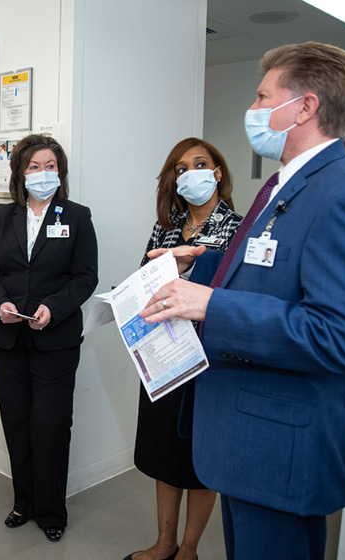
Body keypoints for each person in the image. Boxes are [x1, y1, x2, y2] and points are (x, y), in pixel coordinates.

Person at [140, 42, 345, 560]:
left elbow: (337, 337)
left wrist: (211, 306)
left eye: (262, 97)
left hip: (280, 448)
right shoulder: (282, 190)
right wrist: (195, 272)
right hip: (246, 439)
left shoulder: (340, 197)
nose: (252, 110)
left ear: (304, 107)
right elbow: (263, 282)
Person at [0, 134, 99, 543]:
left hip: (55, 340)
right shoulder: (0, 218)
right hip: (7, 338)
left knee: (50, 425)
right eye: (33, 166)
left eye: (49, 166)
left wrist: (54, 309)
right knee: (17, 423)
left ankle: (50, 510)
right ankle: (22, 502)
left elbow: (85, 277)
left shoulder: (77, 216)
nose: (42, 173)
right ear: (20, 173)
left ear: (60, 172)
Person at [124, 138, 242, 560]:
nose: (188, 173)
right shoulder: (166, 227)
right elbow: (145, 283)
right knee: (163, 453)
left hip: (207, 360)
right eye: (179, 167)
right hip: (161, 353)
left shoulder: (239, 228)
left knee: (199, 457)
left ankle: (188, 549)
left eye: (199, 163)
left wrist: (192, 267)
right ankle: (164, 542)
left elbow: (232, 298)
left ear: (218, 172)